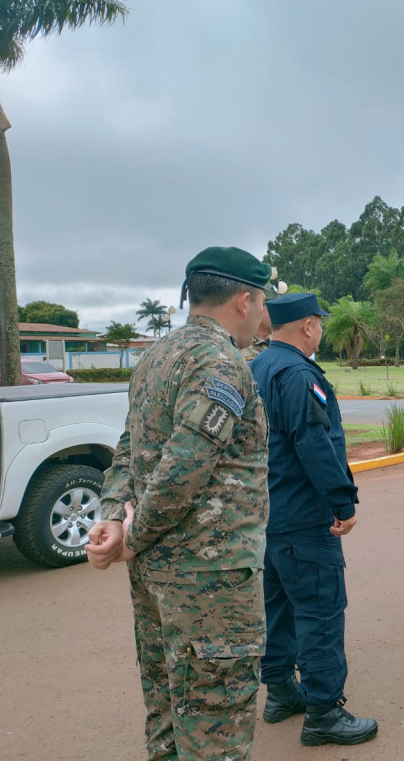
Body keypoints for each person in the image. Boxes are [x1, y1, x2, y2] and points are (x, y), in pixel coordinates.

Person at [86, 246, 272, 761]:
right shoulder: (220, 363)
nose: (261, 316)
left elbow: (129, 451)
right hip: (210, 581)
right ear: (243, 300)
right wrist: (132, 536)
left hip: (157, 577)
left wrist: (113, 518)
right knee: (215, 727)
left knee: (169, 714)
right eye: (260, 304)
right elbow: (181, 469)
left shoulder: (155, 357)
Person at [249, 292, 378, 747]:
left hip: (267, 515)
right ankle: (323, 711)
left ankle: (281, 691)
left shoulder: (258, 367)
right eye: (319, 323)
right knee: (320, 611)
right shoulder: (299, 374)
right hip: (303, 516)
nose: (321, 329)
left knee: (279, 607)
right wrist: (343, 502)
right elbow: (314, 444)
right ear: (307, 326)